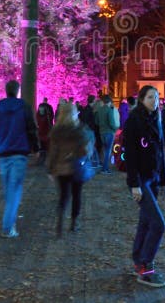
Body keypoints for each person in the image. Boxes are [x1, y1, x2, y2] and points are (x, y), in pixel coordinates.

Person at [124, 85, 165, 288]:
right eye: (150, 97)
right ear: (141, 99)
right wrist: (134, 184)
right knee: (158, 224)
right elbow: (131, 156)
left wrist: (164, 180)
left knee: (146, 223)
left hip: (154, 178)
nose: (155, 101)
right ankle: (146, 268)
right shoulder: (134, 121)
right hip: (141, 179)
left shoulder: (156, 119)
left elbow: (161, 151)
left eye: (157, 97)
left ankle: (138, 261)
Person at [0, 79, 38, 238]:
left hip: (3, 151)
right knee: (15, 190)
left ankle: (10, 222)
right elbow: (31, 127)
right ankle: (8, 226)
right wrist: (36, 147)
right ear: (17, 91)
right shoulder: (24, 106)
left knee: (8, 189)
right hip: (19, 151)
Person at [47, 101, 94, 237]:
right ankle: (74, 222)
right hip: (77, 167)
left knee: (63, 196)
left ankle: (60, 220)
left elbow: (53, 152)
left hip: (61, 168)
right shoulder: (80, 130)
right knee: (77, 195)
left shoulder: (56, 131)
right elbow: (87, 150)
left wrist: (50, 169)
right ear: (75, 113)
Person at [95, 94, 119, 174]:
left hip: (102, 132)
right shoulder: (109, 110)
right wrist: (115, 129)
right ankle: (105, 169)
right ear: (109, 101)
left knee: (105, 151)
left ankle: (104, 167)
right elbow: (112, 123)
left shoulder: (99, 110)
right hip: (109, 132)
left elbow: (97, 122)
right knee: (108, 151)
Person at [36, 98, 54, 166]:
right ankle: (42, 159)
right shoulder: (39, 115)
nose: (40, 109)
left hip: (45, 133)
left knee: (45, 146)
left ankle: (44, 159)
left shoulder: (47, 115)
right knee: (42, 146)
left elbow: (49, 122)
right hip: (41, 133)